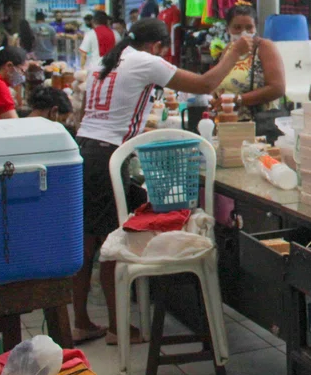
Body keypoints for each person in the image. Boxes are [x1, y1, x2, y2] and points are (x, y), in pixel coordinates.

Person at [72, 18, 252, 345]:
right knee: (114, 242)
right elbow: (205, 84)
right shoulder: (145, 60)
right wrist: (235, 52)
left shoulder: (105, 61)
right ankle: (117, 327)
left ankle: (82, 321)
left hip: (82, 152)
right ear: (157, 46)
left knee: (85, 244)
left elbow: (92, 113)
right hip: (107, 160)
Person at [215, 3, 286, 120]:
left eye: (249, 27)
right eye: (237, 27)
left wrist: (238, 99)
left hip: (258, 122)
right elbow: (217, 79)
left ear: (255, 28)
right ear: (228, 29)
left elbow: (278, 88)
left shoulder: (264, 47)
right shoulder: (229, 49)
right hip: (228, 120)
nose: (243, 33)